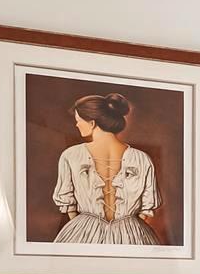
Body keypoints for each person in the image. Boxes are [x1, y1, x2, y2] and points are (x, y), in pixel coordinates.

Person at [50, 92, 163, 245]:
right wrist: (128, 229)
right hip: (132, 233)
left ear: (92, 123)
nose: (77, 125)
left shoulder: (71, 155)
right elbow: (147, 206)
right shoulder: (142, 158)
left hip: (84, 232)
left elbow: (68, 202)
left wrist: (87, 228)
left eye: (78, 120)